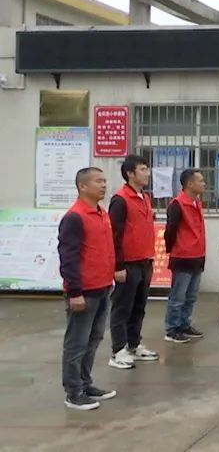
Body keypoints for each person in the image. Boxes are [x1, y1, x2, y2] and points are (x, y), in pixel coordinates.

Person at [58, 167, 118, 410]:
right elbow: (68, 257)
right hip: (84, 291)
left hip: (103, 287)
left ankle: (85, 383)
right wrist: (75, 292)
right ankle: (73, 392)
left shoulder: (102, 213)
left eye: (104, 181)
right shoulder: (75, 217)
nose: (103, 185)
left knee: (94, 339)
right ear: (82, 186)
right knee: (77, 343)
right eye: (98, 181)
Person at [107, 155, 159, 369]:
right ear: (130, 173)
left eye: (147, 169)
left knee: (139, 307)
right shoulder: (120, 200)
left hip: (144, 261)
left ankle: (134, 344)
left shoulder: (144, 197)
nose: (147, 173)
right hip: (127, 264)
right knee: (122, 308)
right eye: (143, 169)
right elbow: (115, 235)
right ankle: (118, 351)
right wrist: (117, 266)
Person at [163, 169, 207, 344]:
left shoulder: (196, 203)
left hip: (197, 255)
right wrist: (175, 248)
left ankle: (184, 324)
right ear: (189, 184)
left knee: (191, 296)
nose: (204, 184)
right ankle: (172, 329)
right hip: (182, 256)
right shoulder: (177, 204)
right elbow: (170, 231)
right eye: (200, 181)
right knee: (178, 296)